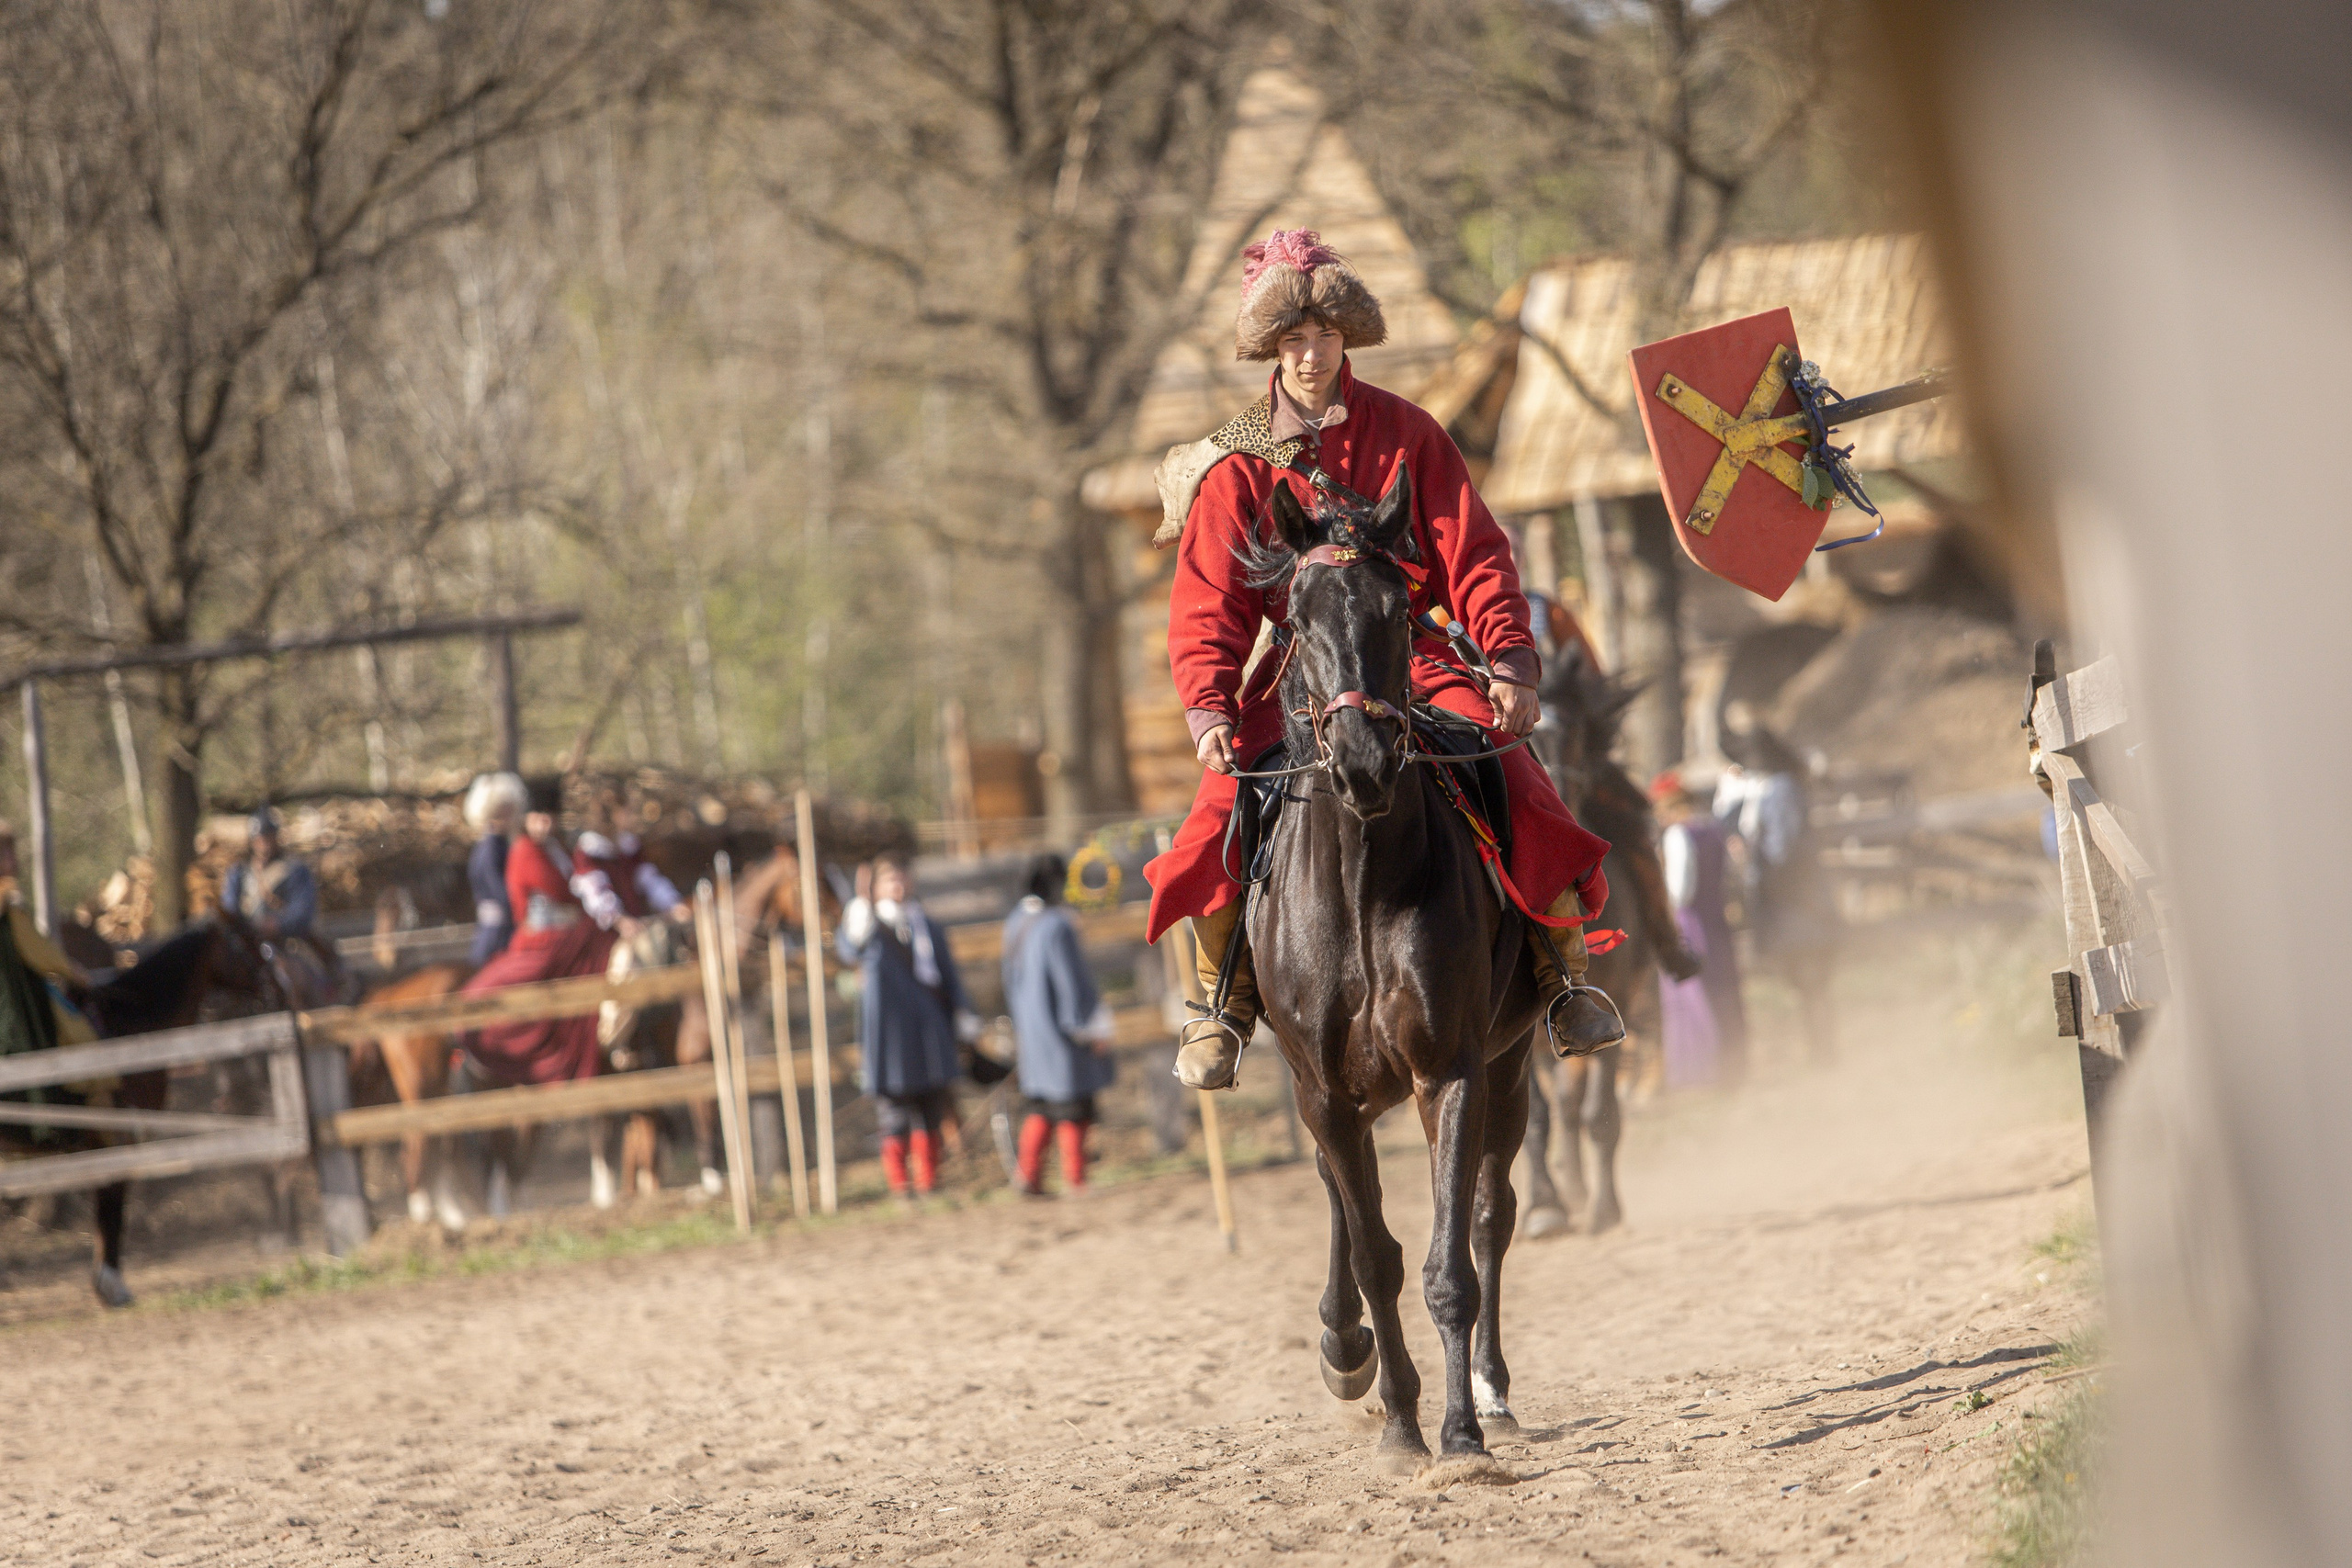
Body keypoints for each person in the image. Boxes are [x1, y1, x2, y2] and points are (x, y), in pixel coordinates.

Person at [1142, 227, 1619, 1089]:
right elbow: (1208, 599)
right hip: (1295, 680)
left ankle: (1561, 979)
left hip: (1415, 661)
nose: (1313, 354)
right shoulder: (1236, 464)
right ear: (1271, 349)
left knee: (1522, 779)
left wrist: (1509, 660)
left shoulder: (1410, 432)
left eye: (1325, 336)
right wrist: (1210, 705)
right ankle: (1222, 1002)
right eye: (1294, 340)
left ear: (1346, 337)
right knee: (1211, 822)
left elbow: (1472, 552)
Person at [836, 853, 978, 1201]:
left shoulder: (926, 927)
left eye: (901, 879)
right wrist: (858, 912)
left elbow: (948, 975)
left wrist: (962, 1013)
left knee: (932, 1105)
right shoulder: (867, 928)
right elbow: (847, 950)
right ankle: (901, 1185)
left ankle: (930, 1180)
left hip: (929, 1029)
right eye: (889, 881)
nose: (897, 887)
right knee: (895, 1112)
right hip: (890, 1034)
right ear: (878, 887)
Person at [1714, 716, 1839, 1063]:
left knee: (1811, 977)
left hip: (1797, 898)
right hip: (1786, 897)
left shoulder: (1779, 789)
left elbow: (1781, 849)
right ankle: (1817, 1048)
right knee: (1802, 979)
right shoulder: (1765, 788)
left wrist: (1751, 853)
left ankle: (1822, 1050)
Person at [1000, 853, 1116, 1198]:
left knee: (1041, 1105)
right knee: (1072, 1104)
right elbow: (1072, 985)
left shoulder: (1015, 922)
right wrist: (1089, 1027)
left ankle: (1028, 1176)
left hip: (1032, 1032)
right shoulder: (1057, 925)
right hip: (1063, 1032)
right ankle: (1076, 1179)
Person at [1653, 770, 1748, 1087]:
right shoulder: (1713, 829)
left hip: (1689, 923)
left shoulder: (1679, 835)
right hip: (1715, 919)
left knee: (1694, 995)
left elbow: (1680, 891)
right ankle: (1733, 1063)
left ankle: (1701, 1072)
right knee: (1723, 988)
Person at [0, 819, 97, 1058]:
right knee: (80, 1036)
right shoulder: (8, 903)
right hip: (17, 1008)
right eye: (4, 852)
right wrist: (73, 973)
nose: (12, 860)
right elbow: (39, 952)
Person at [574, 789, 691, 924]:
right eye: (626, 812)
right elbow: (594, 894)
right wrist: (619, 921)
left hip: (636, 922)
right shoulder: (589, 852)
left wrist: (671, 904)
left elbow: (649, 880)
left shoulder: (629, 846)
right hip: (604, 930)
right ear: (612, 815)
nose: (631, 816)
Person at [463, 772, 527, 967]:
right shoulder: (492, 848)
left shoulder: (498, 844)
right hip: (499, 934)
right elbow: (502, 893)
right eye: (502, 810)